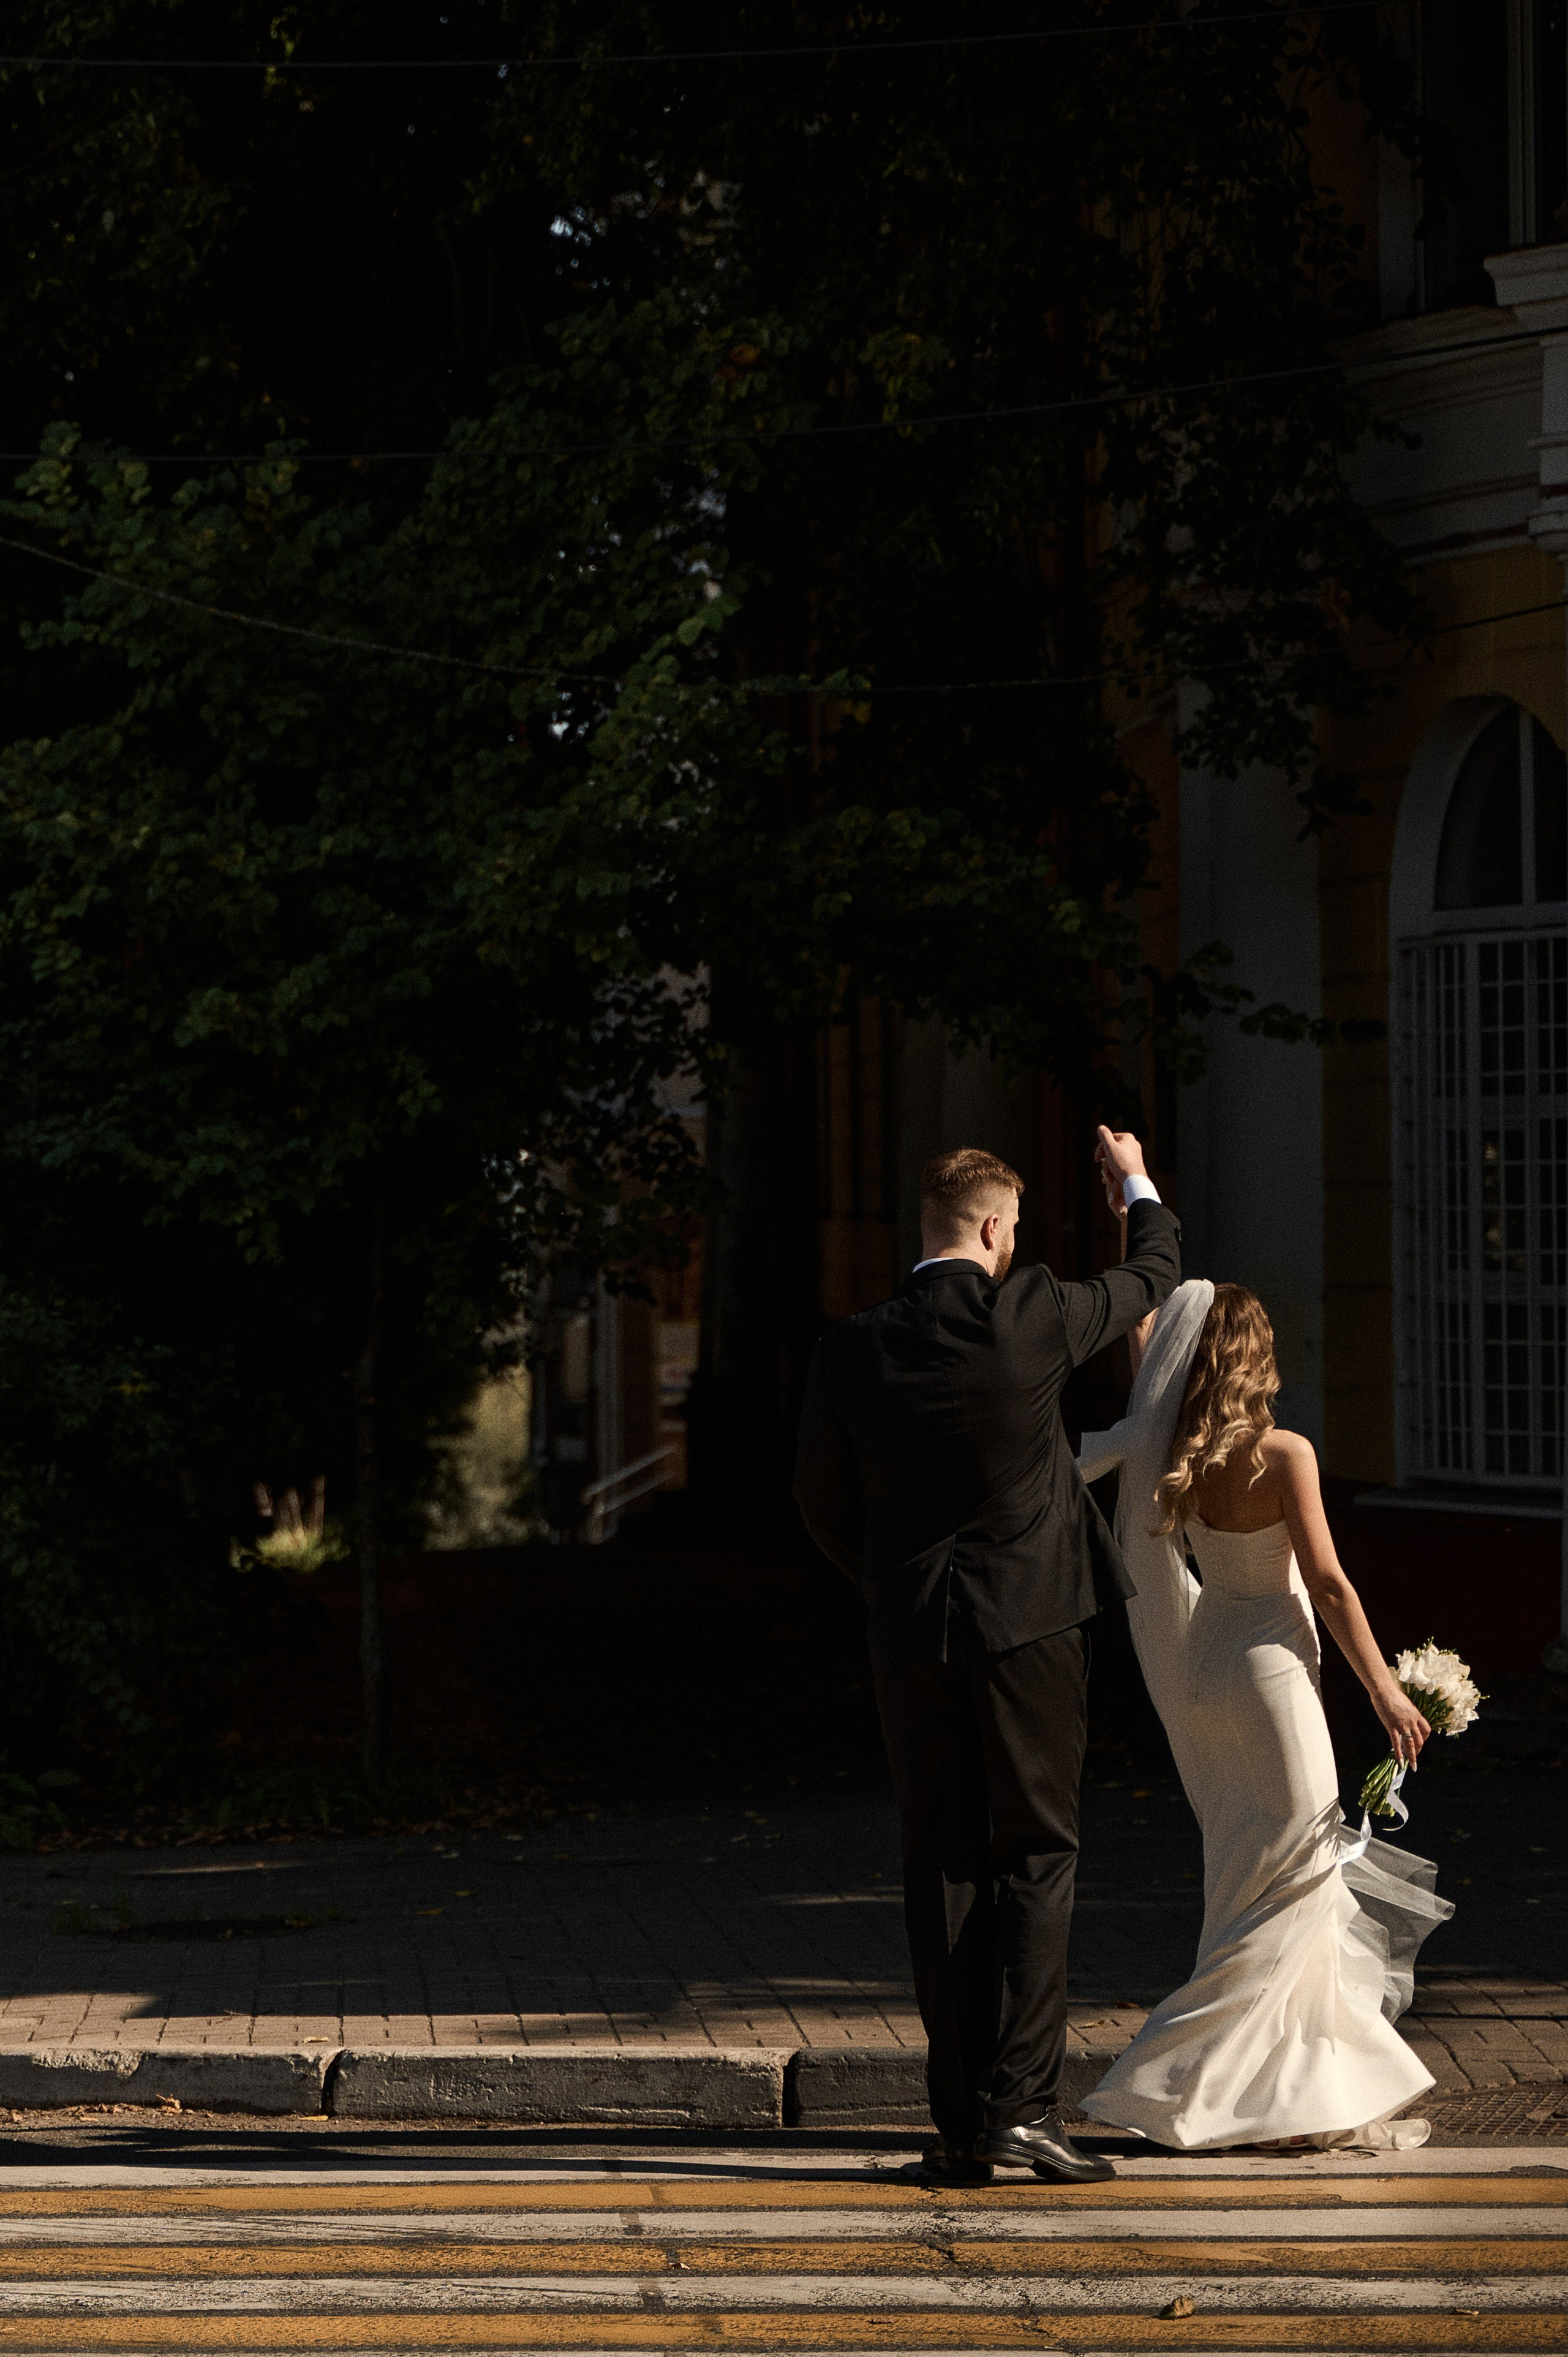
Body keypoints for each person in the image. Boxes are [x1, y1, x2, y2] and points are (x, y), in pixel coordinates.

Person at [793, 1132, 1180, 2184]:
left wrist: (888, 1582)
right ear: (999, 1230)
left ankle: (963, 2123)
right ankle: (1023, 2109)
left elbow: (820, 1503)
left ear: (928, 1231)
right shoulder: (1036, 1312)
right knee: (1038, 1856)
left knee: (943, 1862)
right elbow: (1156, 1272)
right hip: (1035, 1623)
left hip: (911, 1632)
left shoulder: (851, 1349)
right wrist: (1132, 1180)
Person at [1076, 1246, 1453, 2152]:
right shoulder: (1285, 1451)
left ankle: (1282, 2095)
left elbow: (1147, 1358)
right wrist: (1387, 1692)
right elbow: (1327, 1582)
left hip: (1208, 1662)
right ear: (1254, 1357)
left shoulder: (1167, 1445)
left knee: (1244, 1872)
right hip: (1273, 1673)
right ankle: (1176, 2078)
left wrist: (1137, 1222)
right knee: (1299, 1875)